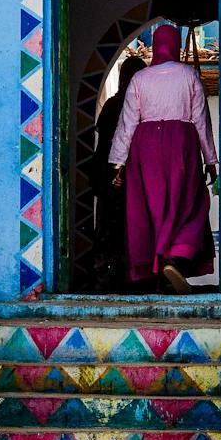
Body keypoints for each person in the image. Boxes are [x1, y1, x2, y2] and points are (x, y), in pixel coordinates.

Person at [109, 24, 218, 293]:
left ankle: (157, 273)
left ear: (156, 46)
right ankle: (176, 258)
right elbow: (201, 119)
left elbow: (127, 123)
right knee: (190, 203)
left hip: (144, 148)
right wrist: (211, 160)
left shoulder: (140, 79)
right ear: (176, 45)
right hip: (182, 144)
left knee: (150, 207)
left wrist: (118, 162)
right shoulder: (188, 74)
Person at [92, 54, 146, 291]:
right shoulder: (139, 107)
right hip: (130, 178)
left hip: (107, 176)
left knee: (108, 230)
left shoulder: (112, 105)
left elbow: (102, 143)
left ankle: (106, 281)